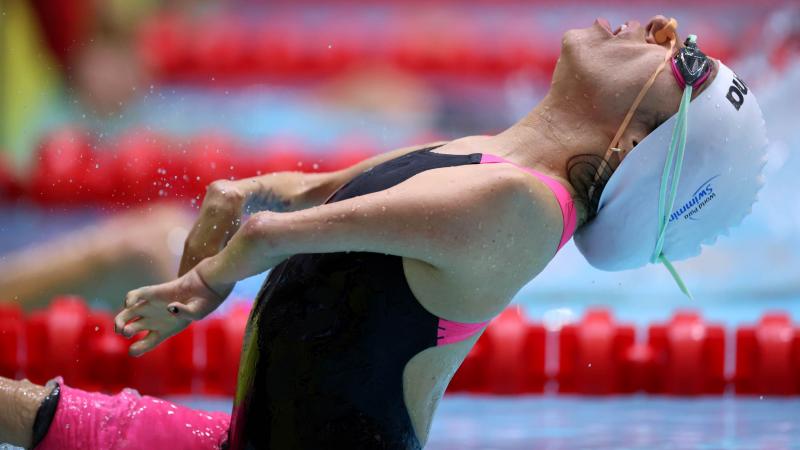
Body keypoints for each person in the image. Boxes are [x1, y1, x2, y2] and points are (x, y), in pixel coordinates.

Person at [0, 15, 767, 450]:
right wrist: (237, 192)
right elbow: (306, 194)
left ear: (636, 148)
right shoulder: (496, 153)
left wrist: (212, 275)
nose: (666, 27)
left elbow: (284, 233)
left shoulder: (522, 211)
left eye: (685, 59)